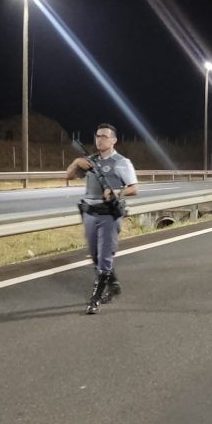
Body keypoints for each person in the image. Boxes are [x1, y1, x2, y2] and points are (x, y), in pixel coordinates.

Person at [67, 123, 138, 314]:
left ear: (114, 140)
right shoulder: (89, 161)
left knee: (105, 257)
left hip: (108, 214)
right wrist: (75, 163)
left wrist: (117, 191)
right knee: (96, 256)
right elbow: (69, 176)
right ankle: (113, 285)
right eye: (98, 136)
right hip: (89, 213)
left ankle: (95, 298)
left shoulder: (122, 162)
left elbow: (134, 188)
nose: (100, 139)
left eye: (105, 136)